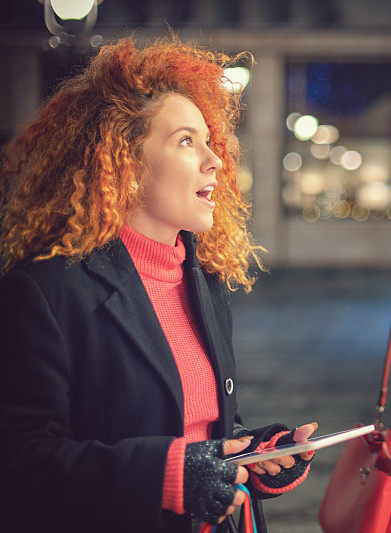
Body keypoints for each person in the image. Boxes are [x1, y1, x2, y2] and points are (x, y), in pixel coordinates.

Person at [0, 39, 315, 532]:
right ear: (124, 161)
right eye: (187, 141)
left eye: (210, 140)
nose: (216, 160)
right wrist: (164, 476)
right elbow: (20, 461)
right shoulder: (45, 292)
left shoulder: (203, 281)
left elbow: (202, 429)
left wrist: (252, 453)